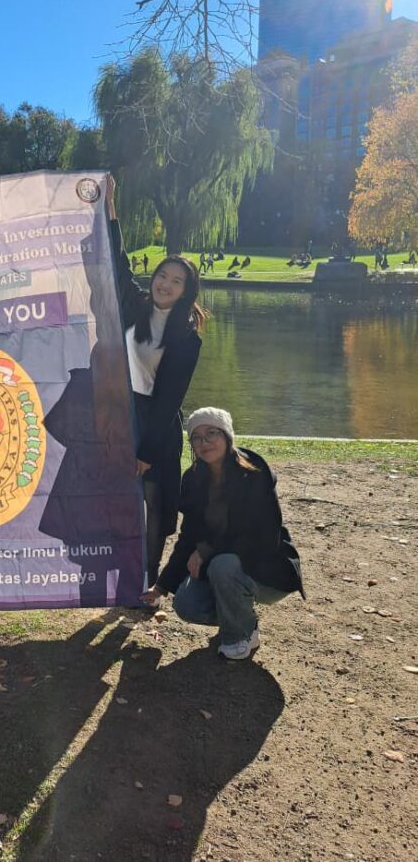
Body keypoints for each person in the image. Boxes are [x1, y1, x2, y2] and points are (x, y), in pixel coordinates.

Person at [106, 180, 205, 596]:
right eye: (163, 275)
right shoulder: (135, 307)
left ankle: (148, 581)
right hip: (122, 414)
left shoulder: (187, 337)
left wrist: (146, 452)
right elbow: (116, 260)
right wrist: (110, 202)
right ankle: (116, 576)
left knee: (154, 507)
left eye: (176, 280)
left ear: (186, 291)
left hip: (157, 429)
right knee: (116, 503)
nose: (165, 283)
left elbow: (170, 398)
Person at [147, 407, 304, 660]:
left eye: (212, 433)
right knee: (186, 605)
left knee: (223, 564)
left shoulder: (254, 472)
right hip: (224, 569)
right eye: (196, 437)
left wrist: (207, 551)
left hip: (267, 570)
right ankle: (244, 621)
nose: (204, 442)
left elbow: (262, 535)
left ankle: (239, 638)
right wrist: (162, 586)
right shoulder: (194, 478)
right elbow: (188, 537)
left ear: (227, 435)